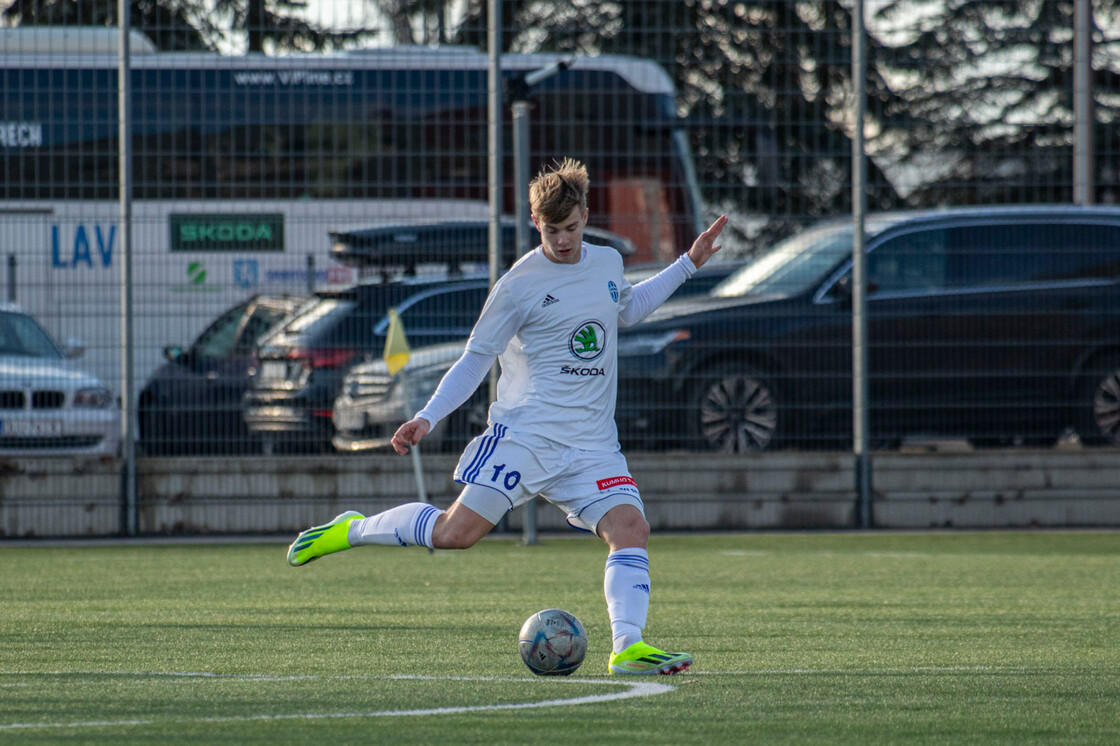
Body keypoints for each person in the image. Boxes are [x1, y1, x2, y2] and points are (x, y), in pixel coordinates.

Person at [288, 158, 727, 676]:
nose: (562, 240)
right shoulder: (518, 285)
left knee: (631, 527)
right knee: (455, 535)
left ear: (585, 215)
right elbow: (476, 357)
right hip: (525, 438)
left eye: (570, 227)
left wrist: (689, 263)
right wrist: (427, 417)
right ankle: (354, 530)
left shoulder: (607, 263)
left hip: (591, 446)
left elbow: (627, 309)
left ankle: (627, 647)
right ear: (535, 222)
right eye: (550, 229)